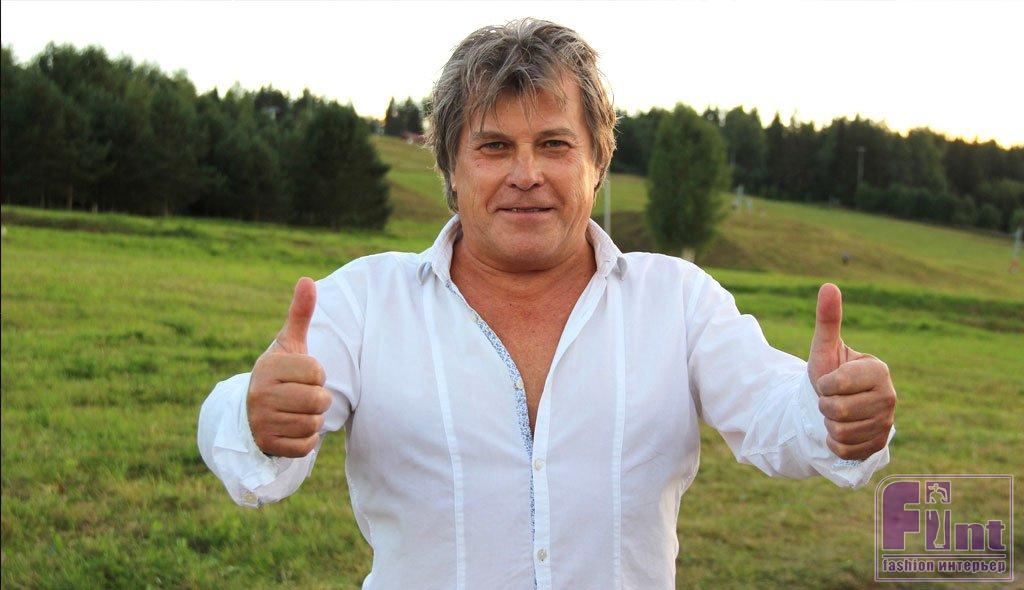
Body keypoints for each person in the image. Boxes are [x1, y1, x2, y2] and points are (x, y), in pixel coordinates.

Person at [197, 18, 897, 589]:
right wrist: (256, 417)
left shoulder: (678, 302)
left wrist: (832, 412)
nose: (526, 174)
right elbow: (240, 432)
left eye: (555, 145)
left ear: (597, 163)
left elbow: (776, 410)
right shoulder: (365, 302)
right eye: (494, 147)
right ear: (451, 168)